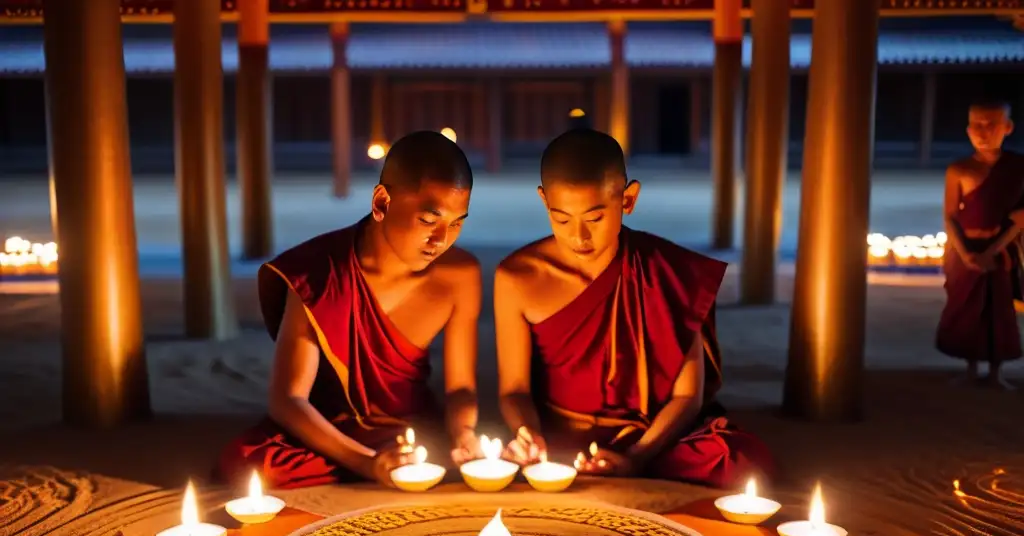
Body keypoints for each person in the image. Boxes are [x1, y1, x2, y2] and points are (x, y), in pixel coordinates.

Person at [494, 128, 774, 489]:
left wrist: (637, 457)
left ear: (628, 199)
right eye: (561, 219)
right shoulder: (518, 276)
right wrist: (527, 433)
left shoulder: (668, 272)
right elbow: (513, 389)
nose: (578, 236)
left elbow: (688, 395)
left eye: (594, 219)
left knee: (739, 462)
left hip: (648, 435)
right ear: (544, 200)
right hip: (559, 438)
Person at [216, 131, 483, 489]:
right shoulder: (320, 272)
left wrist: (464, 433)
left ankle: (396, 458)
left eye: (457, 223)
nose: (441, 240)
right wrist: (368, 464)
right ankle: (371, 462)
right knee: (252, 464)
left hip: (411, 425)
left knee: (434, 450)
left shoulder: (460, 275)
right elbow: (288, 399)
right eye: (427, 220)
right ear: (382, 203)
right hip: (332, 424)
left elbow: (460, 387)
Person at [935, 100, 1024, 388]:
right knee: (965, 309)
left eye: (992, 125)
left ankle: (996, 372)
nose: (983, 133)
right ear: (967, 130)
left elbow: (1021, 218)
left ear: (1008, 128)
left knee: (999, 311)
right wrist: (966, 255)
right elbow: (949, 217)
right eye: (977, 126)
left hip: (1001, 250)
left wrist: (992, 251)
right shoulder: (958, 169)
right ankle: (971, 368)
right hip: (965, 250)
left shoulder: (1018, 169)